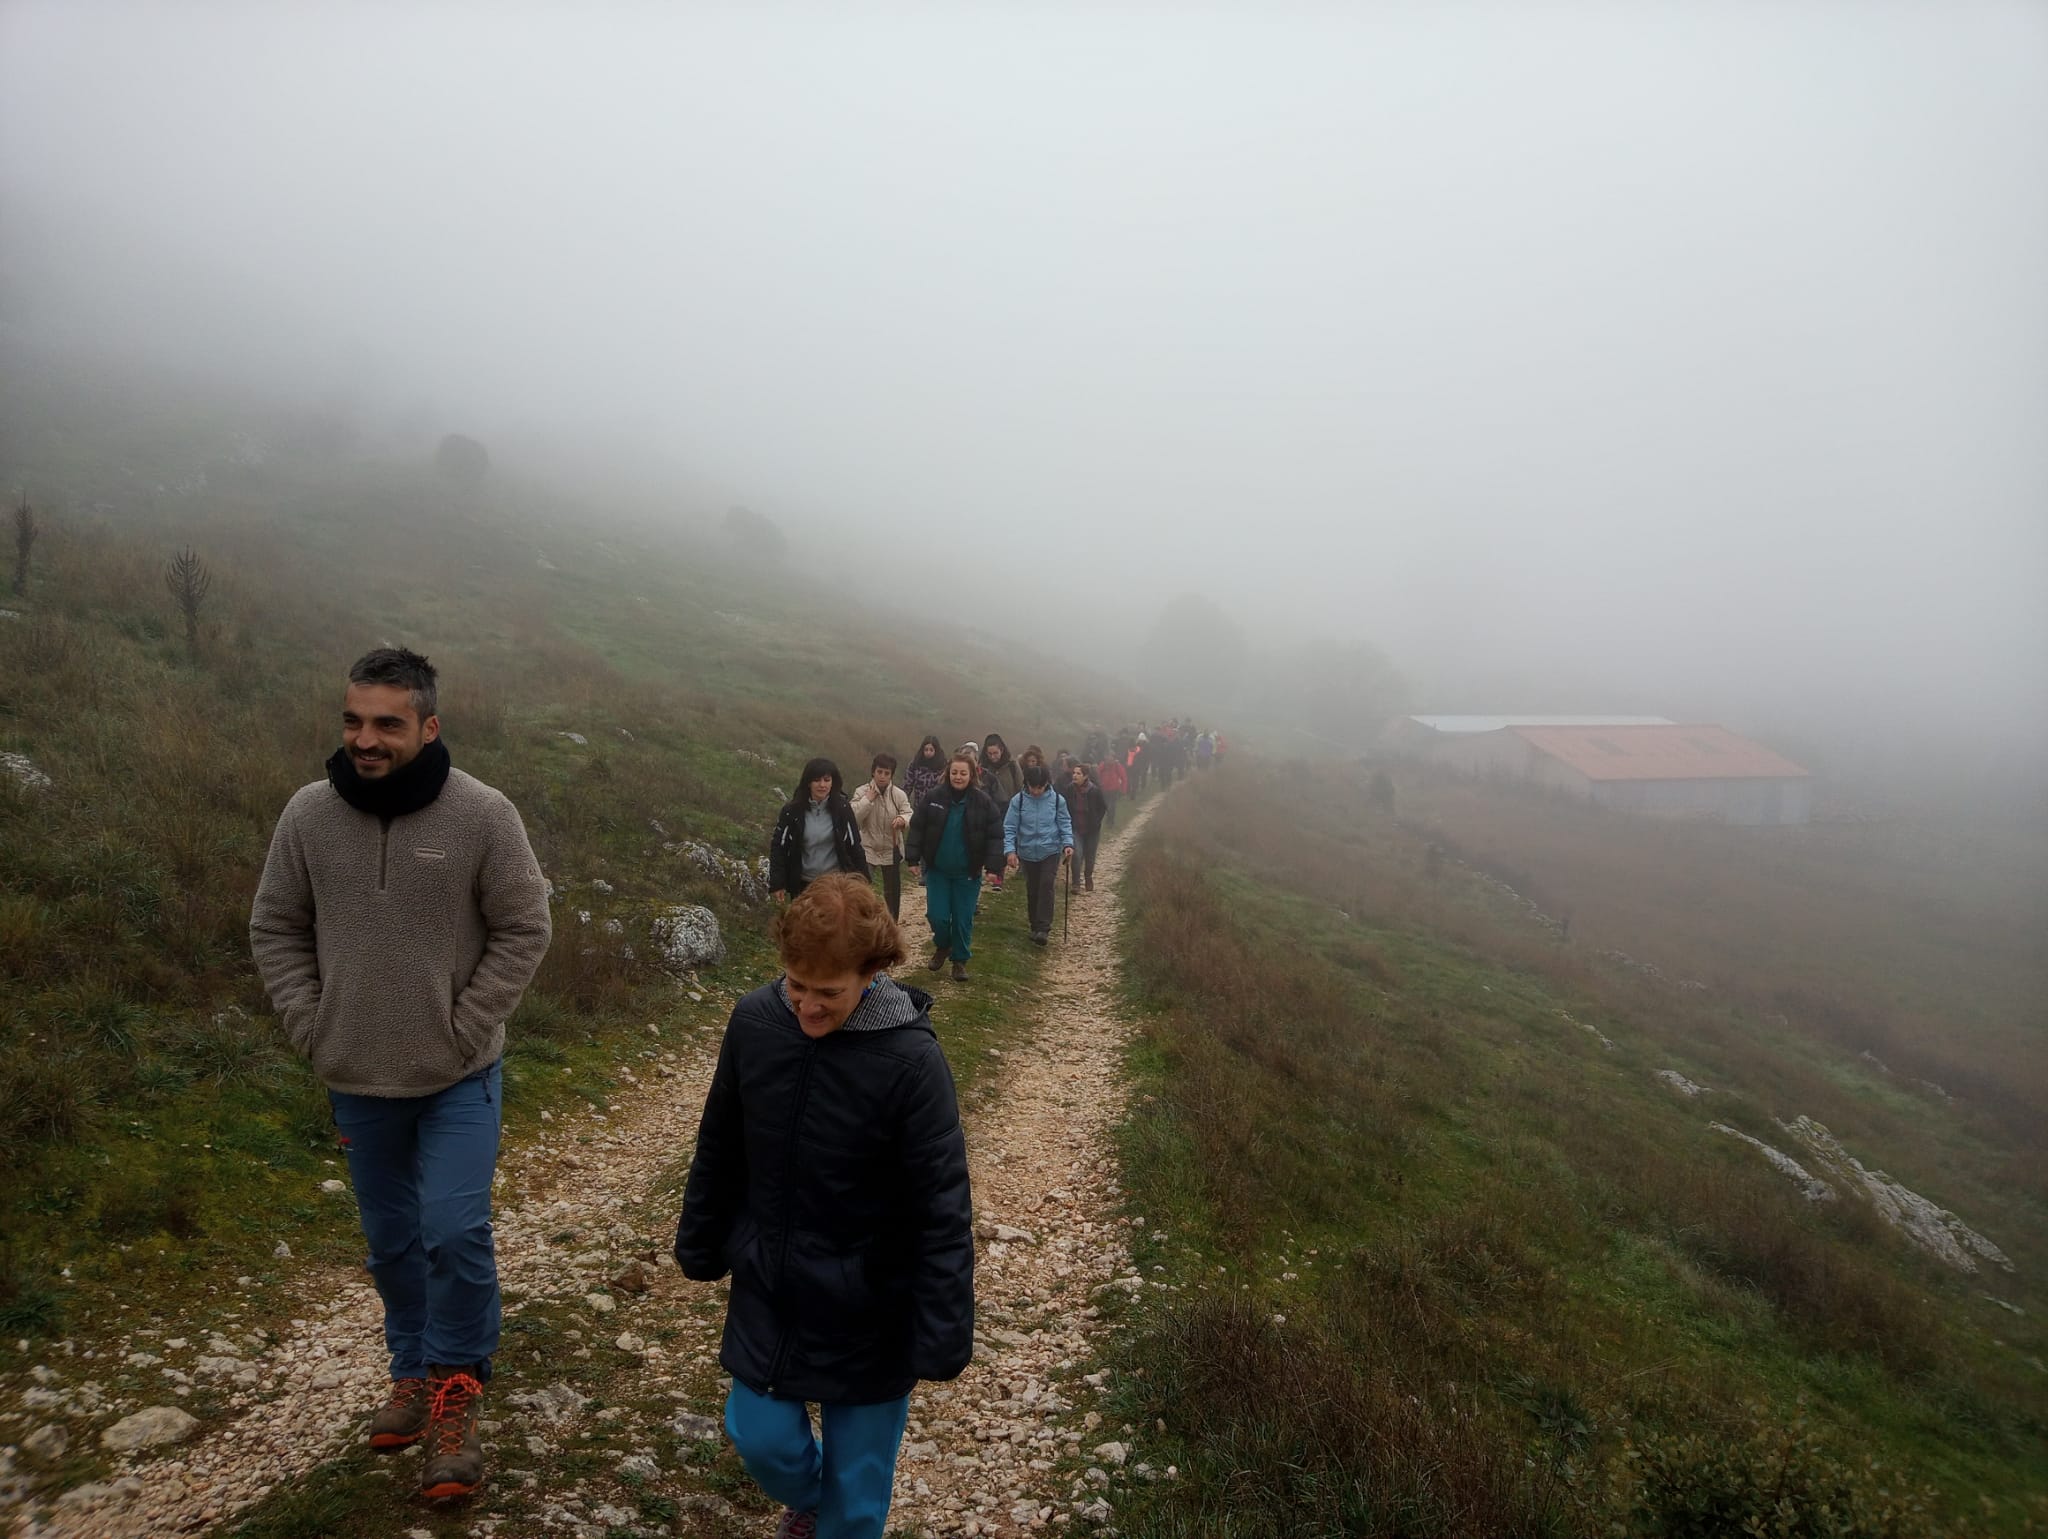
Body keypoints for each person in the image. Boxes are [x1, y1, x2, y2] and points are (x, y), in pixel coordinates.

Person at [250, 647, 551, 1504]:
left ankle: (456, 1393)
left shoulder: (485, 815)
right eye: (353, 720)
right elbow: (274, 927)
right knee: (390, 1243)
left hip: (458, 1075)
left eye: (386, 722)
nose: (365, 739)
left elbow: (525, 927)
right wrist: (313, 1025)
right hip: (355, 1074)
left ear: (428, 725)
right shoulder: (307, 815)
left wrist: (465, 1026)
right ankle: (411, 1373)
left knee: (452, 1231)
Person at [674, 875, 974, 1539]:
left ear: (872, 972)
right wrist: (700, 1238)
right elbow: (720, 1139)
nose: (807, 1007)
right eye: (796, 986)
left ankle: (835, 1513)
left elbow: (942, 1206)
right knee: (758, 1435)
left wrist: (943, 1326)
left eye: (828, 993)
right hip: (772, 1288)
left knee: (857, 1501)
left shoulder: (912, 1061)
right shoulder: (755, 1021)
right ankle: (812, 1499)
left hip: (874, 1308)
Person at [904, 751, 1005, 980]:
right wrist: (912, 859)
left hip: (967, 874)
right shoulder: (934, 797)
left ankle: (959, 961)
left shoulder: (983, 802)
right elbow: (918, 827)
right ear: (947, 773)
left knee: (962, 919)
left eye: (963, 773)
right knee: (937, 916)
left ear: (972, 775)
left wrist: (993, 867)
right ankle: (943, 945)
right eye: (954, 772)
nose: (958, 777)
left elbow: (995, 836)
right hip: (938, 871)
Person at [769, 759, 868, 902]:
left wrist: (863, 882)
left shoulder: (843, 809)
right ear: (808, 783)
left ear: (833, 782)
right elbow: (779, 846)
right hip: (803, 885)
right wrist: (778, 883)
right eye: (816, 780)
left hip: (836, 884)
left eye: (827, 780)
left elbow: (854, 846)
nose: (822, 785)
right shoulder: (791, 812)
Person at [1002, 761, 1074, 946]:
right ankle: (1034, 925)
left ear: (1046, 784)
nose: (1036, 791)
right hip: (1026, 851)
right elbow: (1010, 827)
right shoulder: (1018, 801)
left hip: (1050, 850)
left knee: (1046, 885)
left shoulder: (1057, 800)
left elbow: (1065, 823)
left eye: (1040, 787)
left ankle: (1043, 928)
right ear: (1026, 784)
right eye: (1032, 787)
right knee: (1033, 889)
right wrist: (1010, 850)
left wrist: (1068, 844)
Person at [849, 752, 914, 921]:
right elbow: (853, 817)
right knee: (861, 888)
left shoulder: (898, 795)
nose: (882, 777)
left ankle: (892, 924)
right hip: (867, 848)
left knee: (892, 892)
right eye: (879, 772)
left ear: (891, 775)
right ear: (873, 772)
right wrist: (867, 800)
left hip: (890, 849)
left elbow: (909, 813)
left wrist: (902, 820)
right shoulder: (861, 791)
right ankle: (860, 922)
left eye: (887, 773)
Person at [977, 735, 1021, 890]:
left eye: (995, 753)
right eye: (990, 754)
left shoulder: (1012, 766)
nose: (993, 757)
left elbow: (1019, 787)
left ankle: (999, 875)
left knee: (1001, 841)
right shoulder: (982, 768)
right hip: (986, 809)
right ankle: (984, 870)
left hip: (1007, 809)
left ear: (1002, 750)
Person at [1062, 763, 1109, 893]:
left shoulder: (1094, 790)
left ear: (1086, 776)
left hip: (1092, 829)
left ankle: (1088, 877)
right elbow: (1063, 806)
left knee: (1090, 855)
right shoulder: (1069, 789)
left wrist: (1097, 821)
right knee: (1076, 854)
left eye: (1078, 774)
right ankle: (1076, 883)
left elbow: (1103, 807)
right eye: (1074, 773)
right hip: (1075, 827)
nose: (1075, 776)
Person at [902, 735, 947, 806]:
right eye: (926, 750)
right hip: (919, 805)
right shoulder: (915, 764)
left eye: (931, 750)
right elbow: (907, 785)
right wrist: (902, 803)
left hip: (936, 806)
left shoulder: (943, 766)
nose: (928, 752)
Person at [1095, 748, 1127, 828]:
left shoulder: (1116, 765)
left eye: (1111, 756)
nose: (1109, 758)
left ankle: (1110, 821)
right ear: (1105, 757)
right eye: (1108, 756)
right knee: (1106, 805)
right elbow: (1097, 775)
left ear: (1113, 757)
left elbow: (1123, 777)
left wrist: (1123, 789)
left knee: (1111, 805)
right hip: (1104, 788)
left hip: (1113, 788)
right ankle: (1109, 820)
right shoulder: (1103, 765)